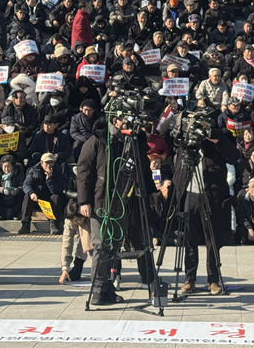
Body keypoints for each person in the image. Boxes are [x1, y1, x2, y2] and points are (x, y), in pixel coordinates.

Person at [76, 114, 157, 306]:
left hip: (123, 202)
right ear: (115, 121)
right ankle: (97, 290)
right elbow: (83, 171)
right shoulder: (97, 140)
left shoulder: (132, 141)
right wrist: (84, 201)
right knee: (101, 244)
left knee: (113, 246)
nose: (130, 125)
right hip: (100, 202)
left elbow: (144, 168)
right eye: (126, 121)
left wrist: (151, 190)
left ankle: (106, 287)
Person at [170, 111, 240, 296]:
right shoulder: (187, 138)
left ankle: (213, 280)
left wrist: (216, 139)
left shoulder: (218, 138)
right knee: (190, 239)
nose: (201, 128)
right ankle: (189, 280)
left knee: (212, 240)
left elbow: (234, 156)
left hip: (212, 195)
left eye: (204, 124)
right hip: (190, 193)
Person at [20, 152, 68, 235]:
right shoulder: (34, 170)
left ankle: (53, 223)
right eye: (47, 163)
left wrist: (49, 179)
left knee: (56, 197)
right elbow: (26, 184)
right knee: (27, 197)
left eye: (51, 162)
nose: (49, 165)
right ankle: (25, 224)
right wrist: (32, 193)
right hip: (37, 198)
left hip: (50, 199)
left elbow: (57, 190)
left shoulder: (59, 171)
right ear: (42, 163)